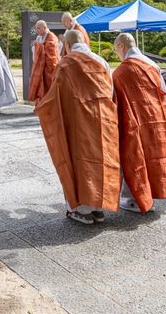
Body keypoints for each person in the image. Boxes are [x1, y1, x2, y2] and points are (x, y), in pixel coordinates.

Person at [36, 30, 121, 224]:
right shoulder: (101, 61)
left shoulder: (66, 64)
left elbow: (56, 95)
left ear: (66, 45)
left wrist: (42, 109)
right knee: (101, 159)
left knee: (80, 161)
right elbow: (110, 89)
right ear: (83, 41)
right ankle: (99, 208)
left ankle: (82, 210)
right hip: (103, 119)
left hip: (78, 121)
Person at [112, 33, 166, 213]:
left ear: (121, 47)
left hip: (134, 121)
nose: (117, 53)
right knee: (154, 158)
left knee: (135, 158)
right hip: (155, 119)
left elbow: (115, 101)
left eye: (116, 48)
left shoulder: (120, 72)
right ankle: (153, 194)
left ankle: (135, 199)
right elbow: (165, 94)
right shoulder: (152, 65)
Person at [28, 20, 59, 102]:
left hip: (49, 67)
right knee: (39, 87)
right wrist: (37, 46)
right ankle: (40, 105)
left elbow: (51, 51)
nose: (37, 31)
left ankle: (49, 106)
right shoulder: (39, 37)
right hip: (40, 67)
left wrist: (38, 45)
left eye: (38, 28)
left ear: (44, 27)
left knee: (48, 86)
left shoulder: (51, 36)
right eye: (36, 29)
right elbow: (36, 50)